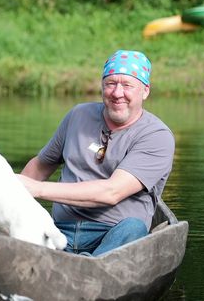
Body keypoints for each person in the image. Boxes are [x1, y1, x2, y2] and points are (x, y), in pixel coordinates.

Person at [18, 49, 174, 256]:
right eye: (111, 84)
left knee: (134, 228)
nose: (117, 93)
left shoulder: (156, 136)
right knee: (2, 227)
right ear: (102, 87)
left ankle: (87, 266)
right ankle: (65, 261)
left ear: (145, 91)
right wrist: (11, 194)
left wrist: (37, 189)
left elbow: (112, 192)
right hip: (59, 229)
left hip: (113, 234)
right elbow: (40, 166)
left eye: (127, 85)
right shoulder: (78, 116)